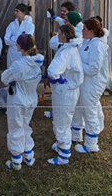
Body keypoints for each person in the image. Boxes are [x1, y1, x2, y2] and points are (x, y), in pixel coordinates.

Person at [1, 34, 44, 170]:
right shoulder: (37, 62)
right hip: (31, 99)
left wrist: (13, 79)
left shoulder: (20, 65)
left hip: (18, 100)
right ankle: (29, 155)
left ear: (20, 46)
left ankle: (16, 161)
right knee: (25, 126)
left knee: (15, 129)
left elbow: (4, 78)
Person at [46, 24, 83, 165]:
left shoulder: (66, 52)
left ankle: (64, 155)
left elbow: (53, 71)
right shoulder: (70, 48)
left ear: (64, 35)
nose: (57, 35)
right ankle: (61, 144)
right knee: (62, 120)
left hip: (65, 92)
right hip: (69, 90)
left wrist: (57, 80)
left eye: (59, 33)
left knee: (62, 123)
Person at [70, 18, 108, 153]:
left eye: (84, 29)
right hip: (84, 82)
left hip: (93, 84)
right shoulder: (88, 41)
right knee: (78, 107)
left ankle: (91, 144)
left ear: (92, 31)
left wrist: (78, 66)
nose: (82, 31)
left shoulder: (97, 45)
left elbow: (94, 69)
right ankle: (76, 135)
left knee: (89, 111)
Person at [4, 3, 35, 67]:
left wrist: (12, 38)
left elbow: (26, 40)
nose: (15, 13)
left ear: (23, 12)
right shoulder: (11, 25)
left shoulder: (30, 25)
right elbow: (6, 40)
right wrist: (19, 38)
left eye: (17, 11)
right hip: (12, 55)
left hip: (23, 54)